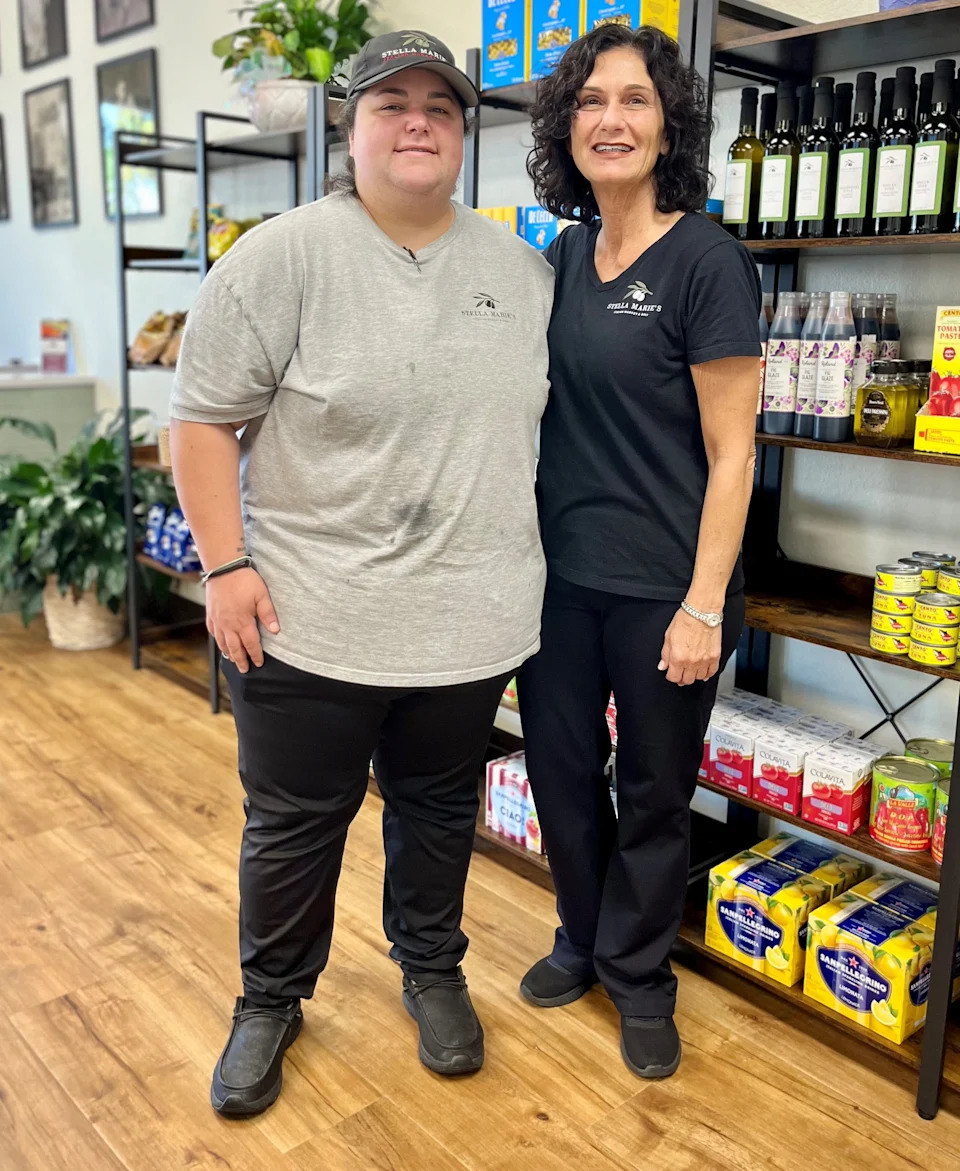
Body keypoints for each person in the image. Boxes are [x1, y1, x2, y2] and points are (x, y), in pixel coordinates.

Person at [169, 30, 554, 1117]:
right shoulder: (281, 257)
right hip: (306, 617)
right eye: (393, 104)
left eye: (441, 105)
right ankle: (270, 999)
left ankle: (431, 969)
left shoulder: (521, 273)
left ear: (465, 133)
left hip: (468, 622)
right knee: (295, 823)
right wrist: (226, 565)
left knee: (437, 810)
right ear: (352, 126)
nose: (419, 121)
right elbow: (201, 423)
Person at [516, 23, 761, 1080]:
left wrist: (704, 604)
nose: (610, 120)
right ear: (565, 127)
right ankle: (582, 934)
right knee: (563, 774)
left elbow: (736, 450)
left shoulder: (707, 259)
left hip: (668, 587)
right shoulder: (561, 255)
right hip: (558, 581)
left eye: (635, 101)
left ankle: (640, 973)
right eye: (589, 103)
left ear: (670, 126)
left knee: (657, 791)